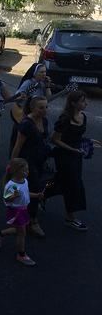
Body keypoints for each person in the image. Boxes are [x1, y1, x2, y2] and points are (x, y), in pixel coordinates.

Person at [47, 90, 100, 231]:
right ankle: (70, 218)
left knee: (60, 181)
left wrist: (87, 141)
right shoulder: (64, 119)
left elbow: (75, 136)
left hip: (76, 155)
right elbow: (55, 139)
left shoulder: (82, 116)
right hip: (64, 156)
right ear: (73, 103)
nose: (86, 103)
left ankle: (41, 195)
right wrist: (72, 149)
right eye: (82, 101)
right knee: (73, 184)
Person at [10, 96, 51, 237]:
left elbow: (44, 139)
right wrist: (12, 164)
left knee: (39, 187)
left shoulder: (44, 120)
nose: (44, 110)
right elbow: (17, 145)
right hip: (28, 162)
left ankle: (27, 216)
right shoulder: (27, 124)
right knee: (35, 188)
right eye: (41, 107)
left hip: (40, 160)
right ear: (33, 108)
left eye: (46, 107)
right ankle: (33, 221)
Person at [0, 158, 43, 266]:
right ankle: (21, 254)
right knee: (22, 233)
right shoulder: (11, 185)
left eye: (27, 170)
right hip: (16, 211)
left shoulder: (24, 181)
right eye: (24, 170)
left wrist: (36, 195)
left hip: (23, 209)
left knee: (18, 230)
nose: (27, 172)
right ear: (15, 171)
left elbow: (26, 192)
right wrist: (14, 196)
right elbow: (6, 199)